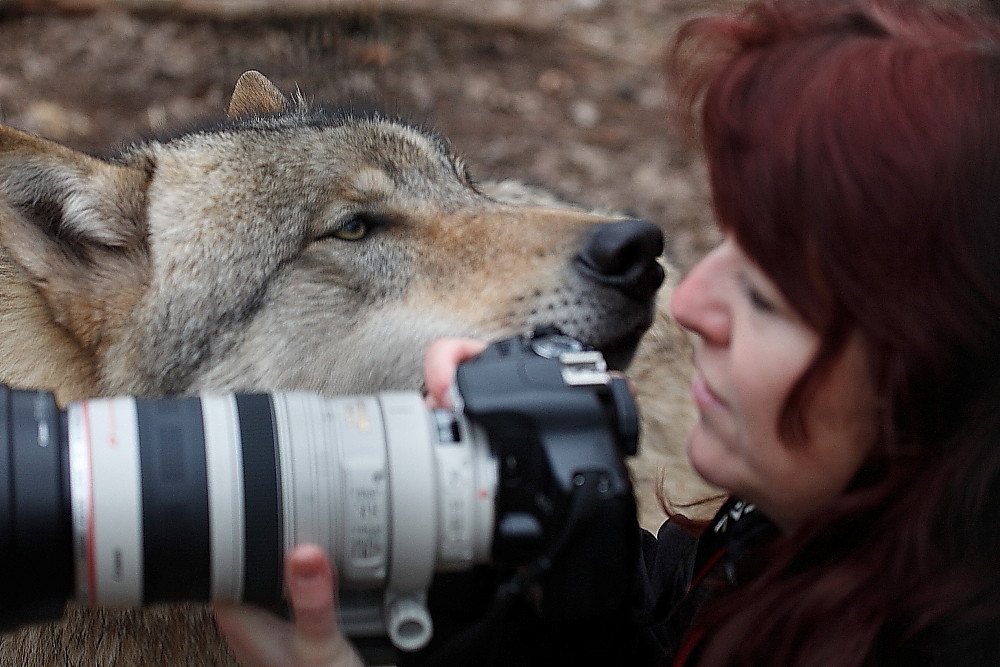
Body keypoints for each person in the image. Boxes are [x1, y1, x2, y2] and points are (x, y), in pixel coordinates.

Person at [213, 0, 1000, 664]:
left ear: (930, 376)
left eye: (766, 297)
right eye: (727, 239)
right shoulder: (770, 543)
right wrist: (522, 562)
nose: (688, 301)